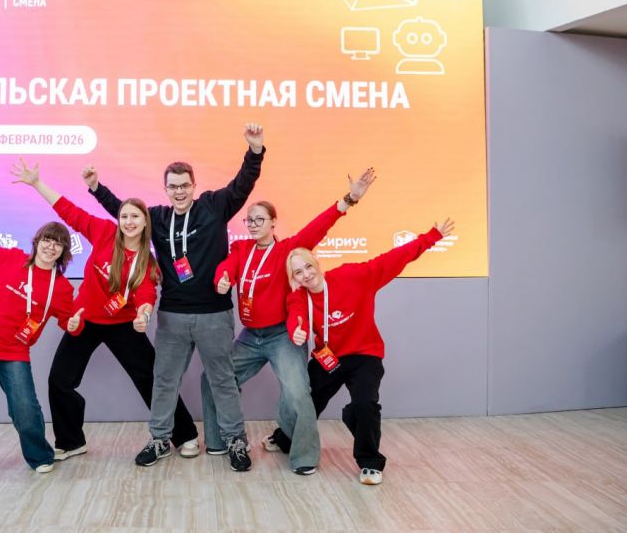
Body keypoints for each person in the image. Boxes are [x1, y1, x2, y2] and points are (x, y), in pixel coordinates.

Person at [85, 124, 265, 471]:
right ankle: (159, 439)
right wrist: (96, 188)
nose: (179, 191)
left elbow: (243, 183)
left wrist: (255, 151)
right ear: (165, 189)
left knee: (223, 380)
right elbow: (123, 211)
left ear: (194, 186)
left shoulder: (214, 205)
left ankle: (235, 441)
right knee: (164, 381)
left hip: (213, 314)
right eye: (173, 186)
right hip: (172, 315)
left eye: (185, 185)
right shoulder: (157, 217)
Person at [11, 160, 200, 462]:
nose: (128, 221)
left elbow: (146, 293)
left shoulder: (147, 260)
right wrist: (37, 184)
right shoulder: (103, 232)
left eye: (135, 216)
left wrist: (144, 314)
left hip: (123, 324)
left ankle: (185, 434)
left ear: (145, 222)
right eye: (124, 216)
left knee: (151, 379)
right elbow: (70, 212)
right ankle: (71, 442)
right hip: (86, 319)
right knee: (60, 380)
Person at [201, 168, 376, 475]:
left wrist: (349, 200)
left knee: (297, 392)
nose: (253, 225)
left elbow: (318, 228)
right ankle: (219, 440)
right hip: (250, 336)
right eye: (249, 220)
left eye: (259, 219)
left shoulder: (287, 251)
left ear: (273, 223)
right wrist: (223, 278)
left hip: (282, 335)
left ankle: (304, 455)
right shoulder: (241, 248)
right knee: (212, 377)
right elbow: (227, 266)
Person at [272, 218, 455, 485]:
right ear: (294, 279)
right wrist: (296, 330)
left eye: (308, 267)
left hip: (364, 354)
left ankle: (370, 462)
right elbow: (296, 316)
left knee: (365, 404)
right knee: (304, 397)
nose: (306, 275)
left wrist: (431, 237)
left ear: (317, 263)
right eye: (298, 273)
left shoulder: (352, 276)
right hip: (329, 357)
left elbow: (393, 259)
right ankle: (285, 437)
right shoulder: (299, 296)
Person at [0, 178, 81, 477]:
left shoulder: (61, 288)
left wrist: (74, 323)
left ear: (63, 252)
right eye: (47, 239)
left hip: (13, 350)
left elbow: (69, 322)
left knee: (24, 408)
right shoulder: (8, 259)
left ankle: (40, 456)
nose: (50, 246)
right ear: (37, 242)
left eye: (57, 243)